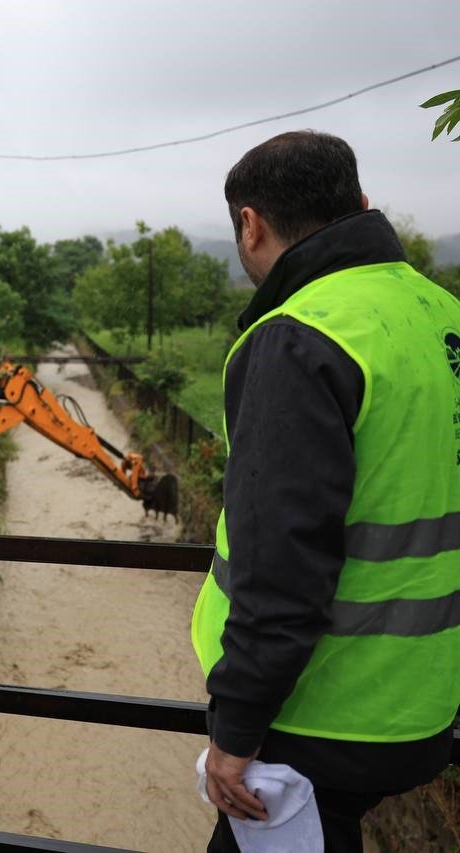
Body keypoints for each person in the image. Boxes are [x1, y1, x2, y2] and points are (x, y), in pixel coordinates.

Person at [191, 131, 460, 851]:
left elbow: (281, 566)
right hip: (425, 704)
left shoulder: (302, 336)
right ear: (362, 206)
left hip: (319, 718)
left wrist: (235, 730)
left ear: (250, 223)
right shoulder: (443, 316)